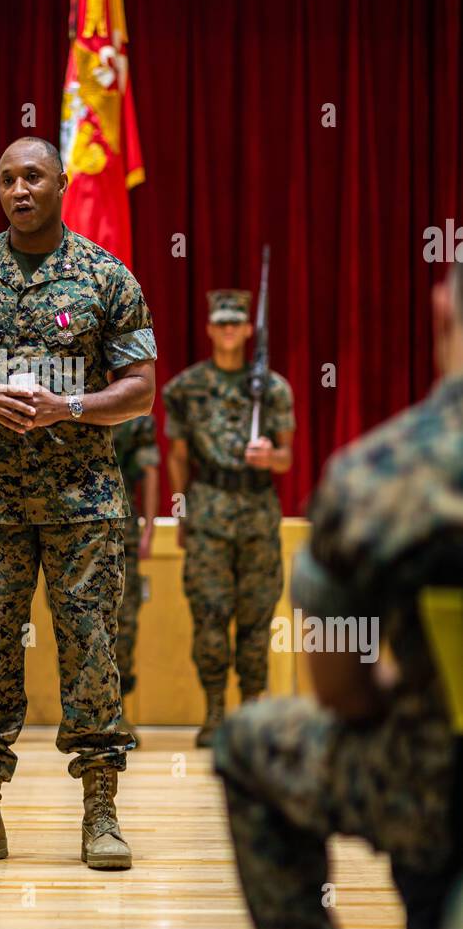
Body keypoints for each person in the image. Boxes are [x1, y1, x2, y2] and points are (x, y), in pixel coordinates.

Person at [213, 262, 463, 929]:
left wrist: (402, 688)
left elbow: (341, 692)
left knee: (249, 740)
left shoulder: (379, 475)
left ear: (442, 309)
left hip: (435, 787)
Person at [0, 136, 157, 870]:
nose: (19, 189)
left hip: (82, 501)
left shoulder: (105, 276)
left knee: (91, 649)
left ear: (61, 185)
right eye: (8, 179)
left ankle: (101, 815)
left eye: (34, 177)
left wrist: (73, 406)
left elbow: (142, 387)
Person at [162, 291, 294, 746]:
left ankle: (253, 708)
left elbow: (287, 458)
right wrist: (180, 512)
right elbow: (177, 456)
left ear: (248, 329)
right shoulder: (185, 388)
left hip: (257, 511)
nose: (229, 329)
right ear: (210, 329)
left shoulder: (272, 389)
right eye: (222, 323)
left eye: (237, 322)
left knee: (257, 617)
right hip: (209, 511)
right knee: (210, 615)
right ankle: (216, 710)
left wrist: (270, 455)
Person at [111, 413, 160, 747]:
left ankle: (119, 711)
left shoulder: (133, 411)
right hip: (70, 527)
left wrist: (150, 529)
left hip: (122, 525)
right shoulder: (65, 394)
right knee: (76, 627)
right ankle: (83, 715)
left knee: (123, 624)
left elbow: (151, 470)